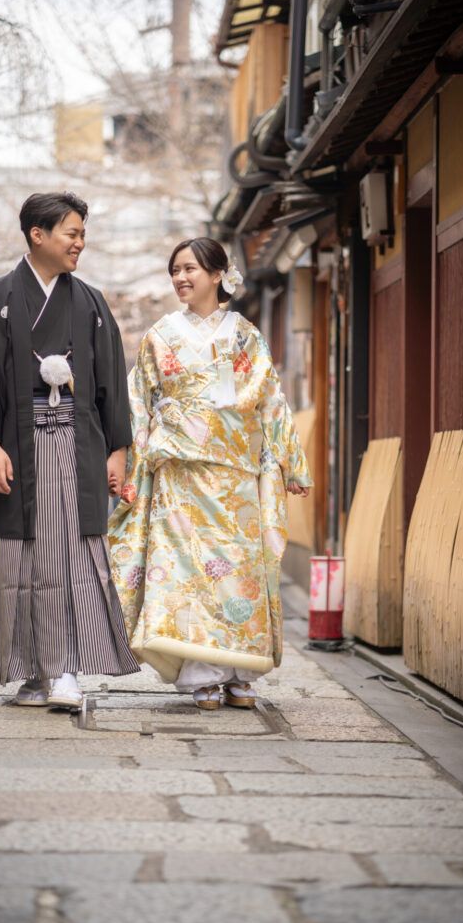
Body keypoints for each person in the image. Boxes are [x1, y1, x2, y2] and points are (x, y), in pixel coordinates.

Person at [0, 192, 140, 709]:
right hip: (17, 448)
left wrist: (117, 449)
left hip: (77, 446)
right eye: (72, 233)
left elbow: (111, 381)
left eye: (82, 233)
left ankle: (63, 669)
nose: (80, 242)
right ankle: (36, 672)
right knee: (22, 559)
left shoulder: (91, 302)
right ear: (38, 234)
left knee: (69, 554)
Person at [108, 237, 311, 710]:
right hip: (179, 473)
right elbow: (138, 403)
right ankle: (201, 672)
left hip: (233, 471)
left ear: (218, 274)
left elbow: (271, 399)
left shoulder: (244, 334)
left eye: (190, 269)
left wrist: (289, 461)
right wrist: (131, 466)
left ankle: (241, 670)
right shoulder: (160, 335)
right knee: (187, 572)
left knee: (238, 570)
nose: (181, 278)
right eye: (175, 270)